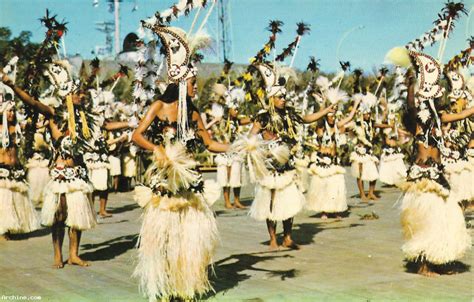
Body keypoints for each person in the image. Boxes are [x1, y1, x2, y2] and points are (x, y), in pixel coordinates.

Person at [131, 24, 228, 301]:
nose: (197, 88)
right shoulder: (159, 107)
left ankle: (184, 286)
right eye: (194, 83)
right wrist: (158, 150)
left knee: (188, 240)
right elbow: (137, 135)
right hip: (164, 182)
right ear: (181, 82)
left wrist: (239, 147)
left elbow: (209, 144)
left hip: (188, 183)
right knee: (163, 240)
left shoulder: (194, 113)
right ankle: (163, 287)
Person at [1, 61, 97, 268]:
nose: (82, 96)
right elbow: (33, 103)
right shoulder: (53, 114)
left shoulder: (82, 120)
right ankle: (57, 255)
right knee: (59, 215)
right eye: (78, 94)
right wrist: (12, 85)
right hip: (61, 173)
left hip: (79, 173)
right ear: (68, 96)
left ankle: (74, 254)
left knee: (77, 216)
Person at [242, 62, 335, 250]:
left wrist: (325, 111)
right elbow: (251, 137)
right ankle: (273, 239)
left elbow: (307, 119)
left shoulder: (290, 114)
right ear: (271, 99)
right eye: (279, 97)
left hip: (288, 164)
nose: (283, 99)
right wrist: (262, 149)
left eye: (284, 96)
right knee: (271, 201)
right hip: (270, 166)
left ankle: (287, 237)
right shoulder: (264, 117)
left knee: (289, 201)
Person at [400, 51, 472, 276]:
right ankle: (423, 264)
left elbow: (467, 113)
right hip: (423, 177)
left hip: (438, 176)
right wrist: (411, 87)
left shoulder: (439, 118)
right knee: (426, 220)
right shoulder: (420, 121)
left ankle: (438, 259)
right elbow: (411, 108)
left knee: (447, 218)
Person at [306, 97, 360, 219]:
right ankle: (324, 211)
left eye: (334, 115)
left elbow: (349, 118)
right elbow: (319, 118)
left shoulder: (337, 125)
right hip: (322, 162)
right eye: (330, 115)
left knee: (335, 187)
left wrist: (356, 104)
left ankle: (335, 210)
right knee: (323, 186)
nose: (333, 117)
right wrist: (323, 106)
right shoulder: (321, 127)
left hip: (334, 162)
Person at [0, 83, 39, 240]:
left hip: (15, 169)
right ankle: (2, 230)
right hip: (1, 170)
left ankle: (8, 228)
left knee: (13, 201)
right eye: (9, 111)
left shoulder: (17, 129)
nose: (11, 114)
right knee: (3, 201)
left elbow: (34, 124)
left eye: (13, 111)